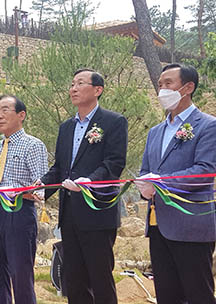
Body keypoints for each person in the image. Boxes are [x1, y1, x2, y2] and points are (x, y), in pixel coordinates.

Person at [38, 69, 127, 304]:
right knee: (74, 280)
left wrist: (90, 182)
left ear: (98, 90)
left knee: (100, 278)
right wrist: (40, 188)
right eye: (72, 84)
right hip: (70, 215)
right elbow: (60, 168)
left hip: (97, 211)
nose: (73, 88)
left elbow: (114, 163)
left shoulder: (113, 122)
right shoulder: (66, 127)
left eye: (80, 83)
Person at [135, 63, 216, 303]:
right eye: (160, 85)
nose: (162, 90)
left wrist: (161, 183)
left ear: (188, 87)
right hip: (158, 224)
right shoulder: (156, 132)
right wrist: (145, 186)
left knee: (197, 293)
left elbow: (205, 171)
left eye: (168, 83)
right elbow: (146, 171)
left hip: (191, 225)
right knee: (167, 294)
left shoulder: (208, 125)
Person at [0, 95, 48, 304]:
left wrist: (15, 192)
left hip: (19, 212)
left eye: (5, 110)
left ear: (21, 115)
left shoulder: (33, 145)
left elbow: (40, 187)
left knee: (21, 275)